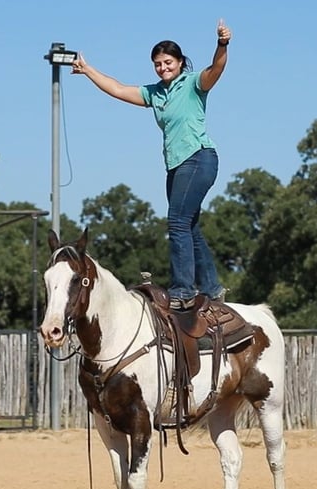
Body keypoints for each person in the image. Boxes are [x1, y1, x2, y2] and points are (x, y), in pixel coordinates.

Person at [71, 20, 232, 311]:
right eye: (157, 64)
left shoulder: (194, 84)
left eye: (168, 62)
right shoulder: (156, 93)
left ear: (180, 62)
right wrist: (88, 70)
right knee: (190, 225)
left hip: (199, 157)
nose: (163, 68)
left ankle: (183, 289)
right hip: (176, 165)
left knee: (178, 222)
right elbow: (118, 89)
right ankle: (211, 287)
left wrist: (222, 44)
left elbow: (216, 68)